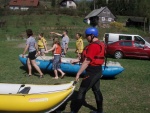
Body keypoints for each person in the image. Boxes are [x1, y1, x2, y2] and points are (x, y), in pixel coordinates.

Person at [67, 27, 105, 113]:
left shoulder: (94, 46)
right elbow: (89, 58)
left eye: (87, 36)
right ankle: (100, 111)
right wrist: (77, 60)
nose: (86, 37)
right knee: (96, 90)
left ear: (92, 35)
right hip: (97, 71)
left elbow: (87, 61)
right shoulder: (98, 44)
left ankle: (74, 111)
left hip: (93, 71)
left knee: (81, 91)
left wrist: (78, 74)